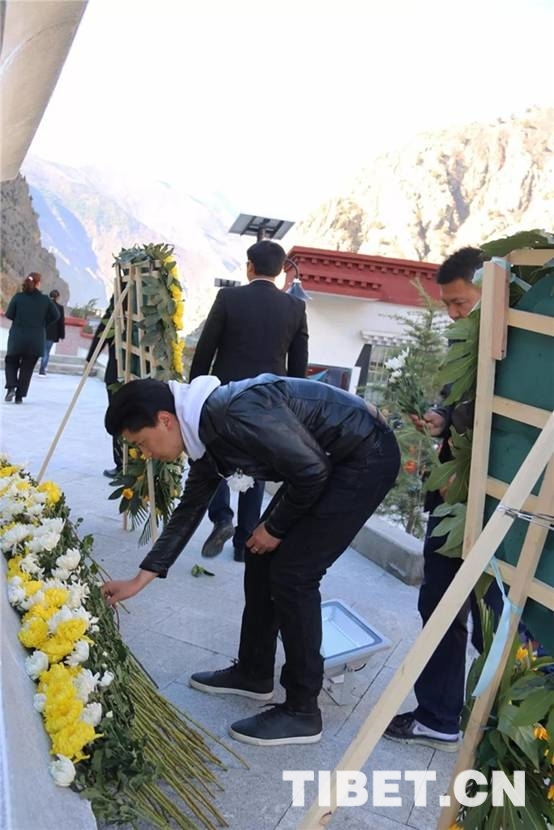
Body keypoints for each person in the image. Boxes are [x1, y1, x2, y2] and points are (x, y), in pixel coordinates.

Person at [101, 373, 400, 746]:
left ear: (165, 420)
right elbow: (190, 509)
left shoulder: (234, 414)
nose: (146, 454)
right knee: (260, 555)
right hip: (326, 461)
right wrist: (139, 580)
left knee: (294, 574)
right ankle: (254, 672)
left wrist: (274, 527)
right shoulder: (203, 430)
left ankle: (303, 711)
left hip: (364, 456)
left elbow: (312, 472)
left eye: (142, 443)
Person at [384, 246, 498, 752]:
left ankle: (490, 716)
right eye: (447, 304)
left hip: (488, 500)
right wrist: (440, 417)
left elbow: (496, 416)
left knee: (488, 611)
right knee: (441, 603)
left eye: (459, 302)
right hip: (452, 494)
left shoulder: (511, 345)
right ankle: (441, 715)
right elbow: (461, 407)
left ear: (488, 292)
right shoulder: (466, 340)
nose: (452, 313)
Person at [189, 239, 308, 562]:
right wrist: (293, 408)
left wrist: (195, 390)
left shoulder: (229, 298)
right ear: (280, 271)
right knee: (257, 467)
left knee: (215, 457)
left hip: (225, 395)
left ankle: (221, 517)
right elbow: (299, 366)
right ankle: (244, 542)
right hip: (269, 401)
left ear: (249, 267)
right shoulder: (295, 308)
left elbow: (206, 349)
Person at [4, 272, 60, 404]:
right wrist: (43, 323)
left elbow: (9, 314)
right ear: (38, 284)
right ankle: (19, 396)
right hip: (36, 340)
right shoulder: (45, 300)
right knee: (27, 368)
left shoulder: (18, 297)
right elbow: (56, 315)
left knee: (11, 362)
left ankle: (11, 387)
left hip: (17, 337)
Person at [85, 295, 122, 477]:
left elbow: (104, 329)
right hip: (138, 372)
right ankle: (127, 463)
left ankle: (122, 463)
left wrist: (91, 358)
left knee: (118, 417)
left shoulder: (122, 294)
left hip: (117, 372)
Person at [39, 289, 65, 375]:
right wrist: (62, 335)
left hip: (43, 331)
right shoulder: (60, 308)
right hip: (53, 333)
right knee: (47, 351)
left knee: (44, 350)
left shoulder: (44, 305)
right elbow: (61, 323)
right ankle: (43, 369)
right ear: (58, 297)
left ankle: (42, 367)